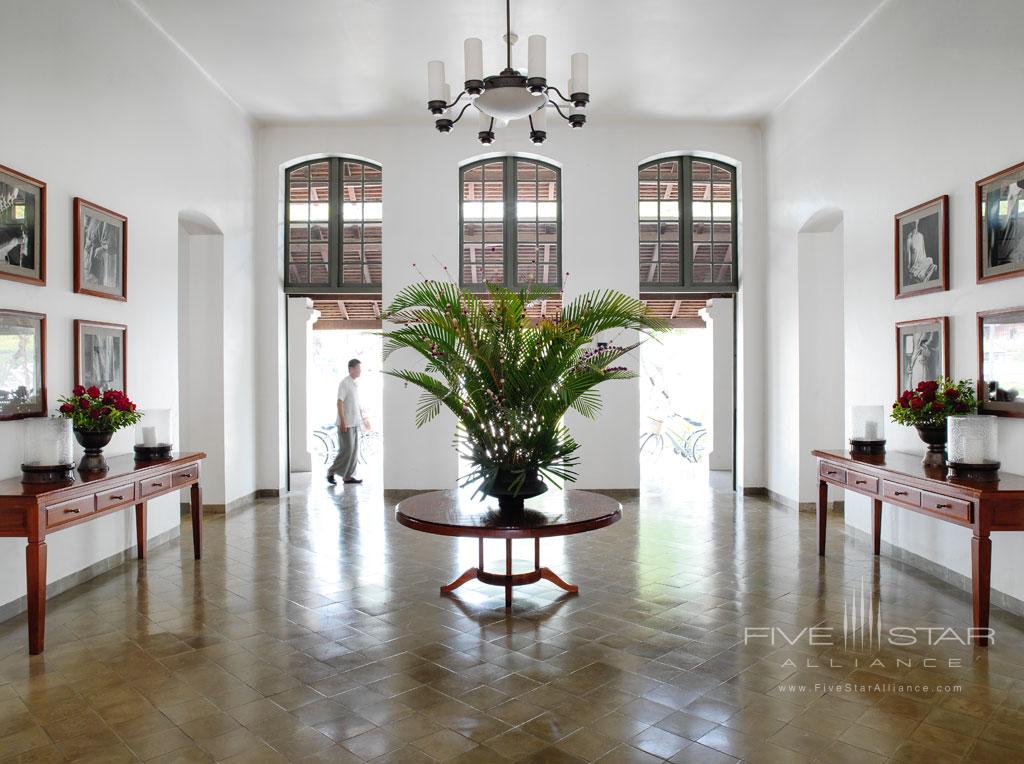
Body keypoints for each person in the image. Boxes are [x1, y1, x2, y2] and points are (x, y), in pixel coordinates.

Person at [327, 358, 368, 485]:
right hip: (346, 423)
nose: (360, 371)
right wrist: (343, 421)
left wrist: (364, 419)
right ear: (351, 369)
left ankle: (348, 476)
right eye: (358, 368)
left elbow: (356, 404)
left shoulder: (355, 384)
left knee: (354, 450)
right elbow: (339, 402)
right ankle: (331, 471)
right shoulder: (344, 383)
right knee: (347, 450)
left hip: (355, 423)